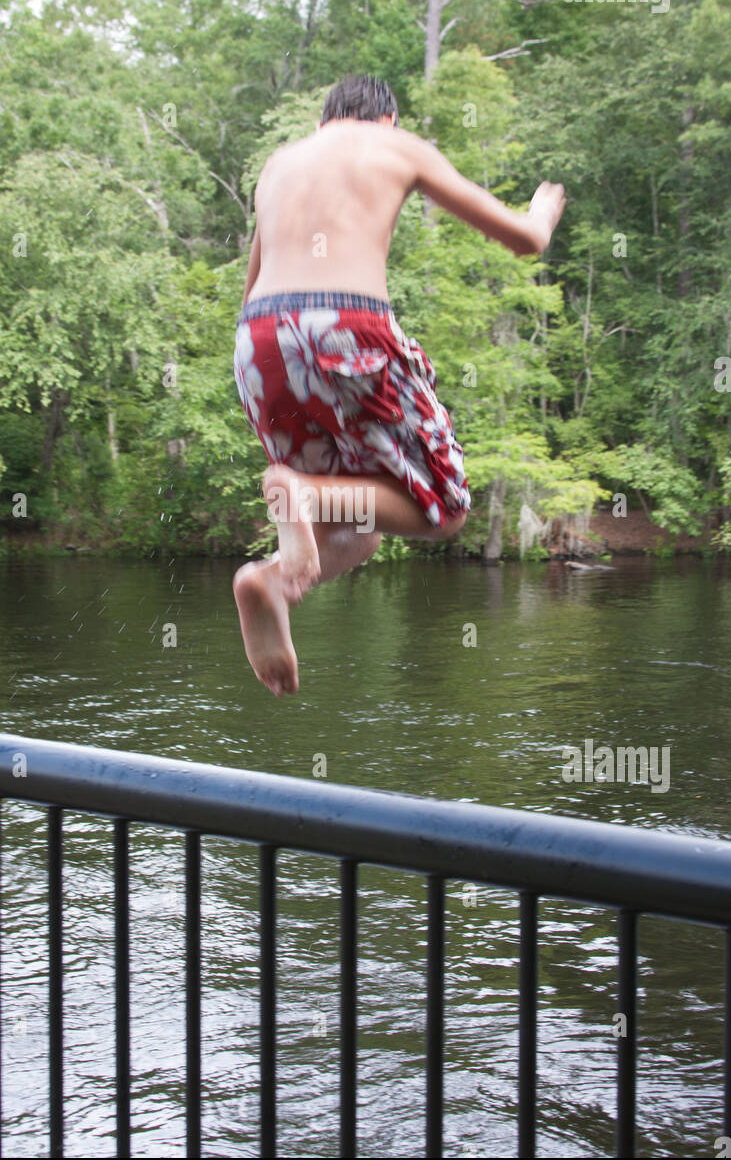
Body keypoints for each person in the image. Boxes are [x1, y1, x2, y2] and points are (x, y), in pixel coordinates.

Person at [233, 73, 565, 696]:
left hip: (258, 342)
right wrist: (544, 210)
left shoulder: (279, 166)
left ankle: (274, 579)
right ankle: (298, 493)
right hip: (344, 325)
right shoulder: (396, 146)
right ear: (385, 119)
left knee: (356, 534)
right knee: (442, 508)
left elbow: (253, 287)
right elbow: (524, 239)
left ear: (322, 123)